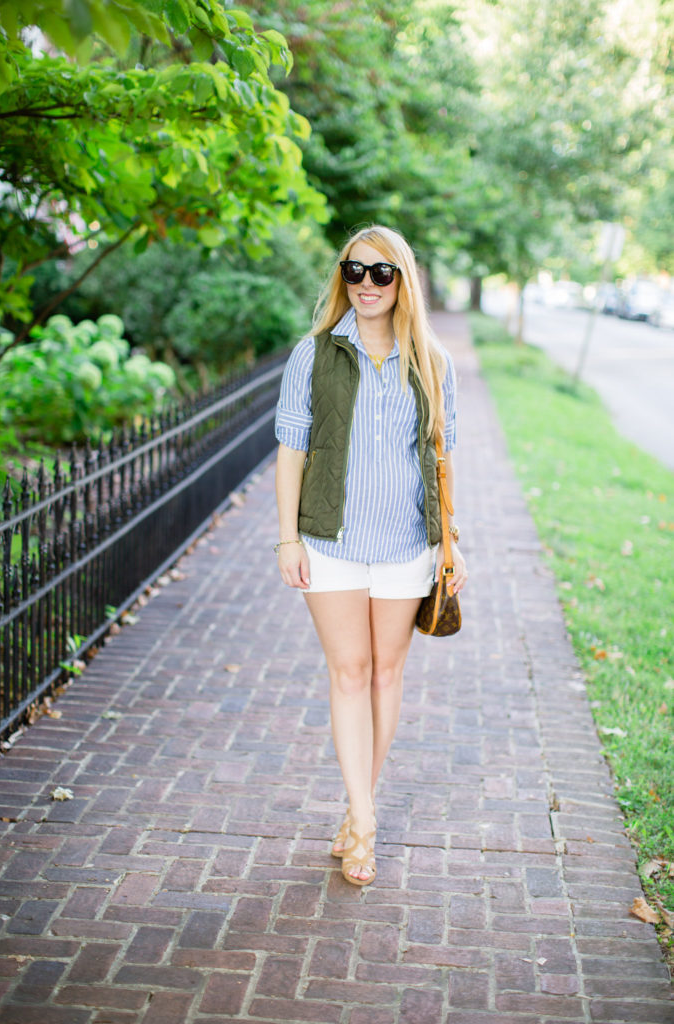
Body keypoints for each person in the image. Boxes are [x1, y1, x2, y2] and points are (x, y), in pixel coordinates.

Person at [274, 225, 467, 886]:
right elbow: (291, 451)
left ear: (402, 280)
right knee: (349, 673)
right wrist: (285, 536)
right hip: (328, 542)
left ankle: (357, 811)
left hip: (407, 548)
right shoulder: (314, 354)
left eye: (380, 273)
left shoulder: (431, 364)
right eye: (354, 271)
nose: (365, 284)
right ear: (342, 278)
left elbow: (440, 458)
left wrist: (448, 540)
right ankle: (364, 820)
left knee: (386, 674)